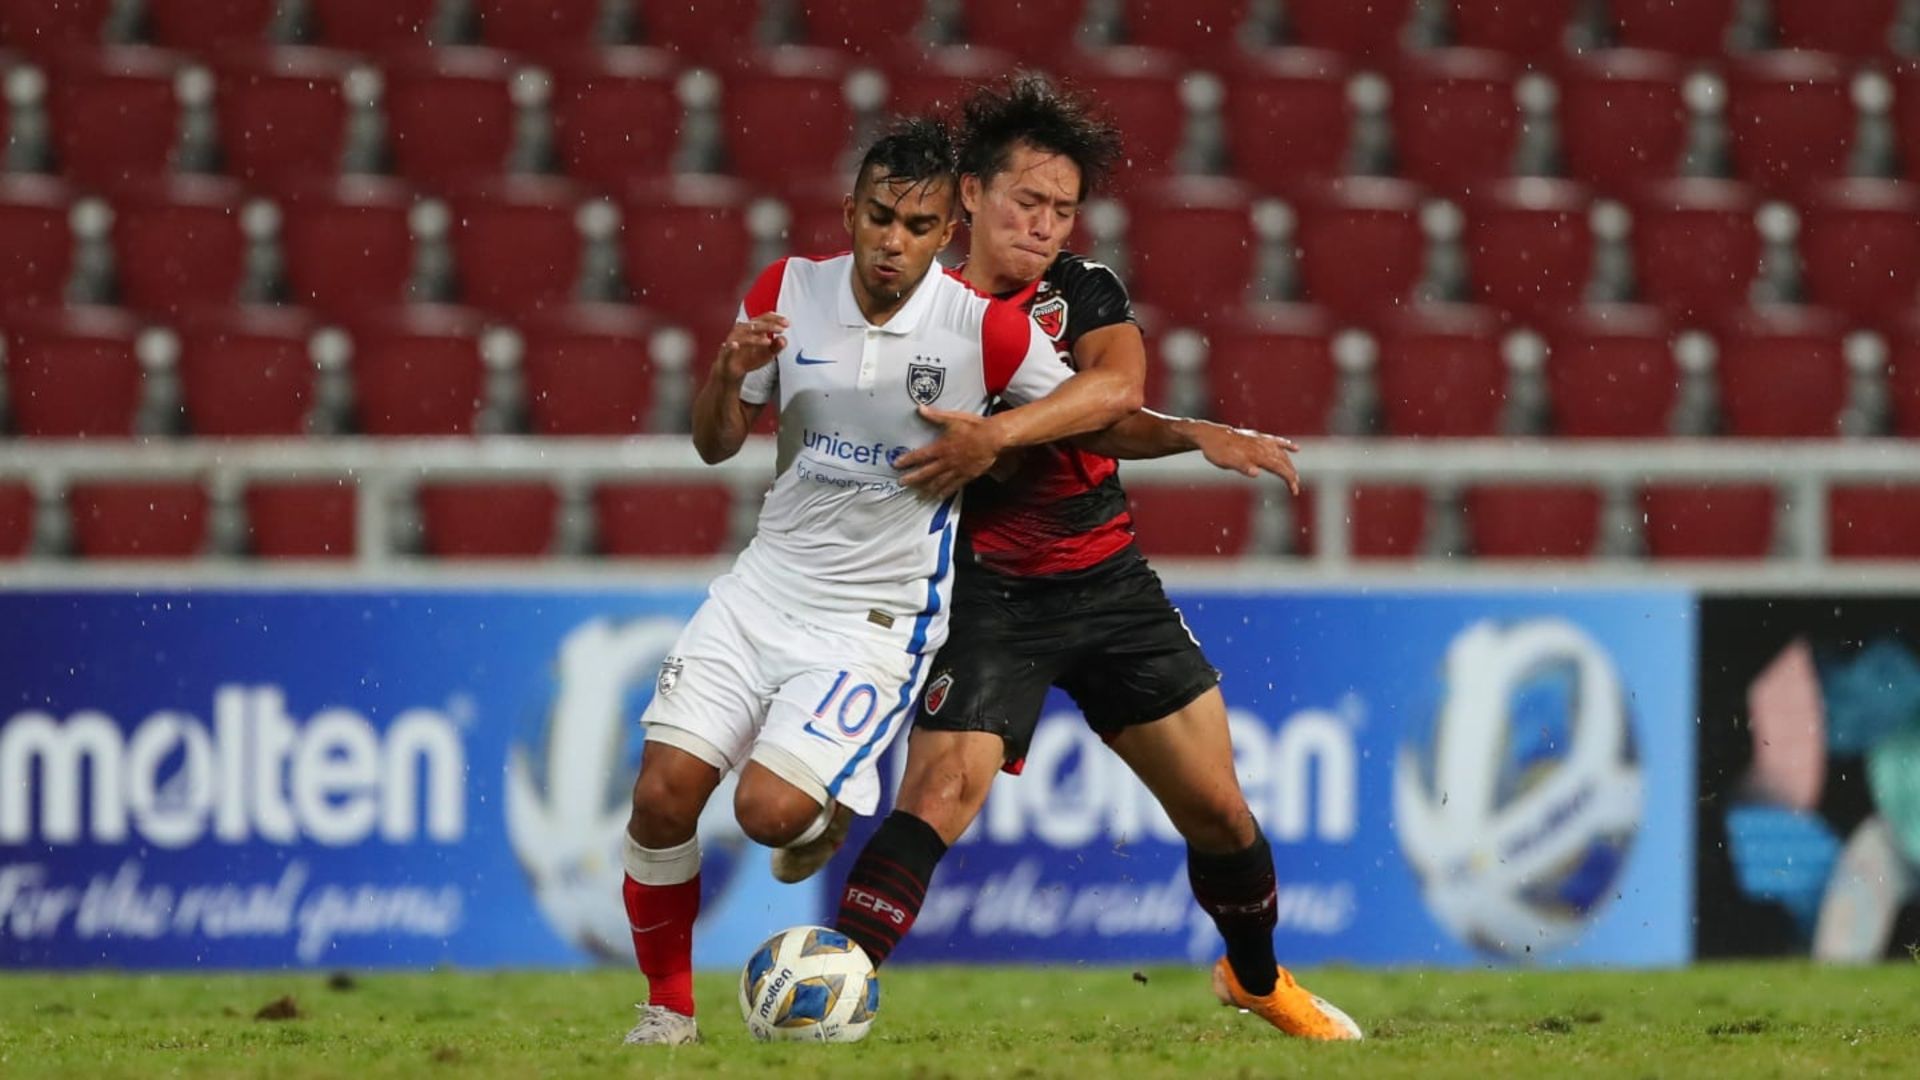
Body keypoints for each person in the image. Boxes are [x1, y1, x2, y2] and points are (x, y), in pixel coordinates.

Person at [831, 77, 1363, 1042]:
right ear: (970, 197)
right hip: (986, 597)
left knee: (1220, 812)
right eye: (1027, 201)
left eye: (1063, 209)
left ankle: (1257, 981)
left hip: (1109, 582)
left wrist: (1163, 432)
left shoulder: (1083, 290)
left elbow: (1116, 392)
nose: (1045, 225)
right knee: (939, 795)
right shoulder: (917, 308)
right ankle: (830, 987)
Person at [618, 117, 1141, 1046]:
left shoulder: (985, 329)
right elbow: (714, 444)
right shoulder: (787, 291)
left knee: (766, 812)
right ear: (850, 213)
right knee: (660, 796)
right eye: (878, 217)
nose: (892, 241)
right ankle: (667, 1016)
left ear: (947, 233)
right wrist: (726, 374)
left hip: (873, 619)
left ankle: (812, 810)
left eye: (917, 225)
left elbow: (1095, 410)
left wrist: (1197, 435)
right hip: (762, 590)